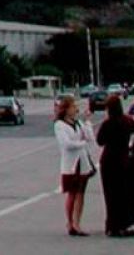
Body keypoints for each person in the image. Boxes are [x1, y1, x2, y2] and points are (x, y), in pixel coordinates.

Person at [96, 94, 134, 237]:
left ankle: (111, 225)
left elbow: (100, 141)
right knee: (123, 194)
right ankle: (122, 225)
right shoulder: (127, 121)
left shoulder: (107, 123)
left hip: (108, 161)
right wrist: (133, 147)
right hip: (123, 161)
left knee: (110, 195)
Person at [53, 95, 95, 237]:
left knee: (81, 193)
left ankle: (77, 223)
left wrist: (88, 121)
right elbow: (66, 144)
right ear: (65, 109)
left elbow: (90, 137)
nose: (75, 109)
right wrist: (82, 143)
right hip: (71, 164)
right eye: (72, 106)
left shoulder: (78, 123)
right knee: (72, 193)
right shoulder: (59, 125)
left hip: (82, 163)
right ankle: (70, 222)